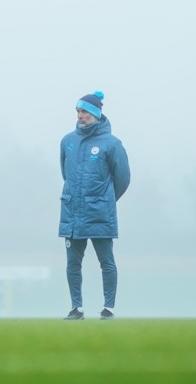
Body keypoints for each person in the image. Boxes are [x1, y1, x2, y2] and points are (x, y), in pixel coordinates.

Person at [59, 91, 130, 320]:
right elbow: (65, 174)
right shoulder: (67, 141)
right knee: (72, 263)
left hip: (99, 213)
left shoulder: (112, 143)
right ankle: (76, 308)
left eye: (85, 112)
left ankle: (108, 308)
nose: (80, 116)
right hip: (73, 212)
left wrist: (105, 199)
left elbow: (123, 179)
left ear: (96, 114)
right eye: (78, 111)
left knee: (106, 261)